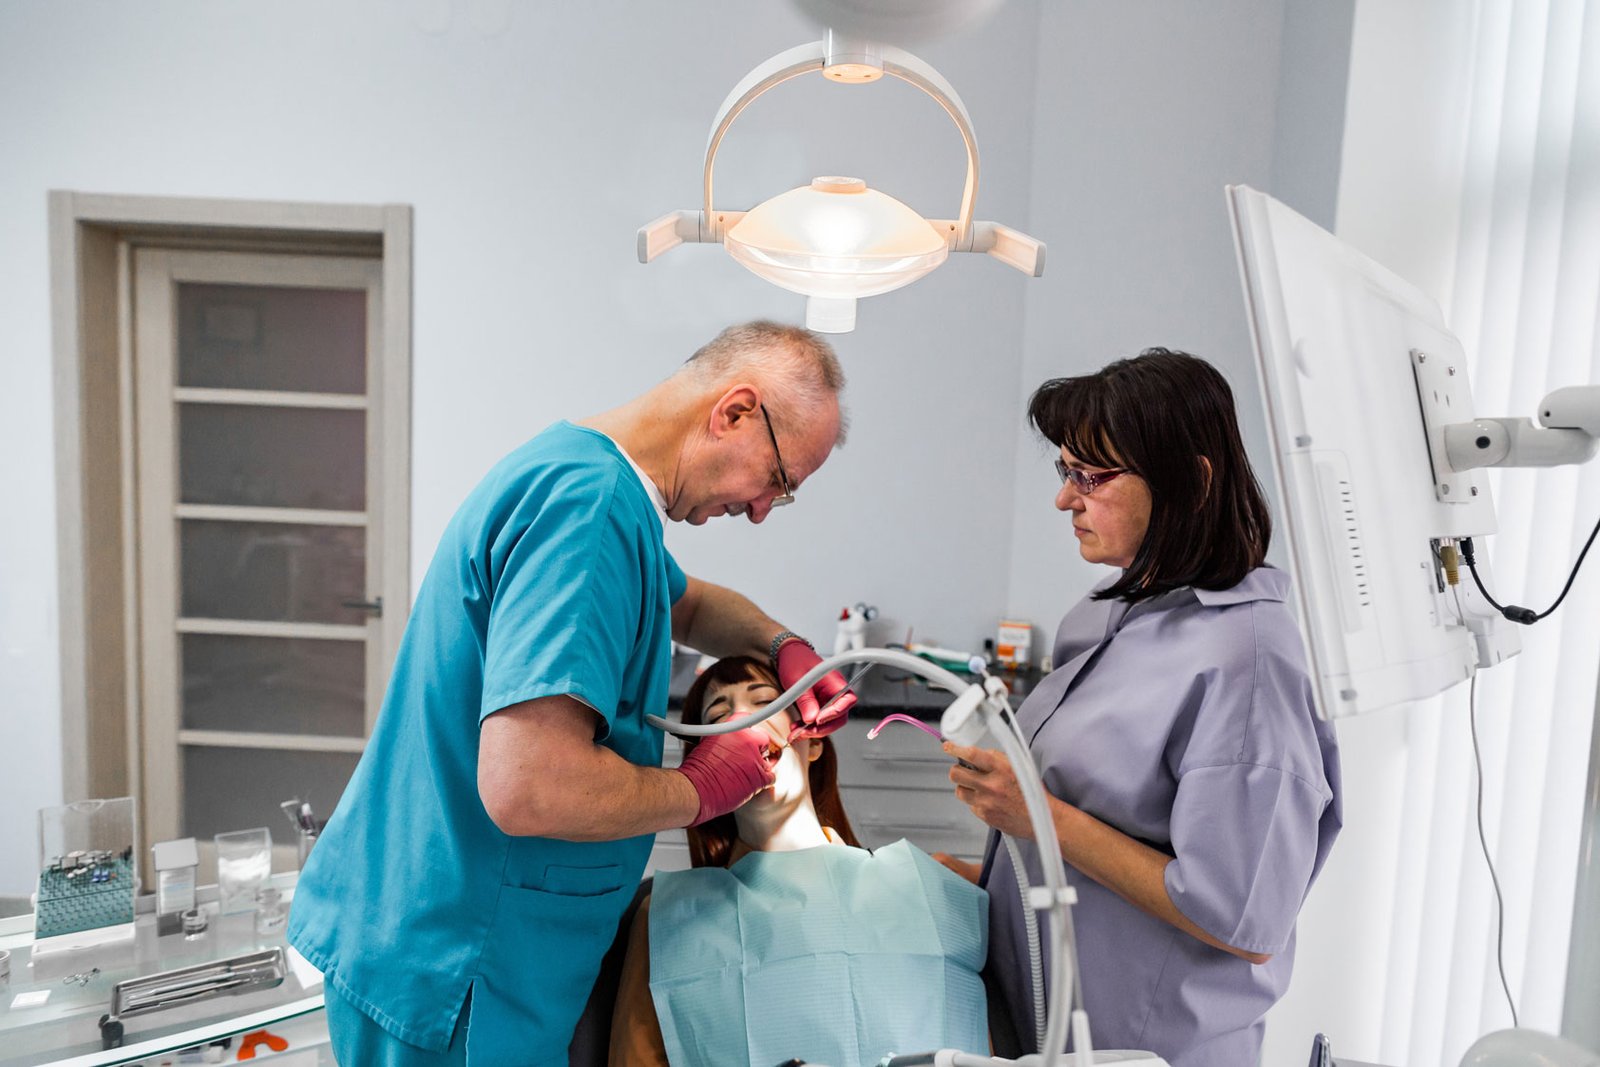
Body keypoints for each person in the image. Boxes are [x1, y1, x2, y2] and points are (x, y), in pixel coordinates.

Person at [287, 321, 861, 1066]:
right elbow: (526, 785)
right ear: (735, 412)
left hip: (452, 938)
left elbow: (681, 603)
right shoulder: (586, 510)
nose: (760, 510)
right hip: (461, 967)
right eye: (778, 482)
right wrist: (699, 788)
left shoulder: (590, 480)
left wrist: (779, 642)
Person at [936, 349, 1342, 1066]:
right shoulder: (1104, 616)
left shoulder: (1247, 661)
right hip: (1041, 1024)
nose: (1066, 500)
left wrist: (1039, 819)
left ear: (1191, 480)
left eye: (1090, 477)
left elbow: (1240, 914)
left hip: (1152, 1047)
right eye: (1065, 473)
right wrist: (982, 883)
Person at [609, 655, 991, 1067]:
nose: (742, 720)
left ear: (814, 741)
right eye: (720, 715)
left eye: (766, 703)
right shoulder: (670, 918)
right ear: (705, 766)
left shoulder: (926, 889)